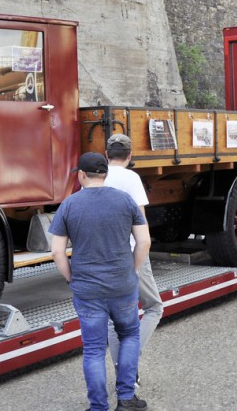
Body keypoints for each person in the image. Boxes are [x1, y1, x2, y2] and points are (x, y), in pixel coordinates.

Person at [50, 152, 150, 411]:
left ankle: (98, 407)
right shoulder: (125, 201)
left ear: (81, 175)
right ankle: (127, 399)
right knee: (129, 335)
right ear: (104, 174)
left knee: (94, 348)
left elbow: (57, 251)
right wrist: (132, 269)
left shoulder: (69, 205)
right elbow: (144, 241)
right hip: (122, 285)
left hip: (87, 289)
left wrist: (71, 277)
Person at [104, 134, 164, 383]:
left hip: (105, 254)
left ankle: (124, 373)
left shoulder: (97, 177)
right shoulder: (132, 178)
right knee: (154, 307)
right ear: (130, 156)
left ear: (106, 154)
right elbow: (140, 222)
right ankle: (130, 362)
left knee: (112, 319)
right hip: (131, 251)